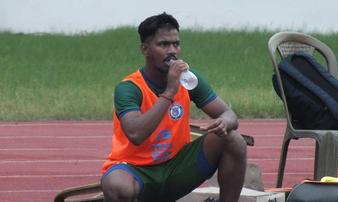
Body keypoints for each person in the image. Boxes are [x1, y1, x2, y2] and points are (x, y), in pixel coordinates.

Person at [101, 12, 247, 202]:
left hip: (176, 168)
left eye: (176, 44)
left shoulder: (189, 80)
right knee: (117, 187)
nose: (172, 51)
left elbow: (229, 115)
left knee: (233, 140)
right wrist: (169, 92)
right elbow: (136, 134)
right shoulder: (128, 88)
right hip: (135, 168)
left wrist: (224, 122)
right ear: (145, 49)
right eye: (163, 44)